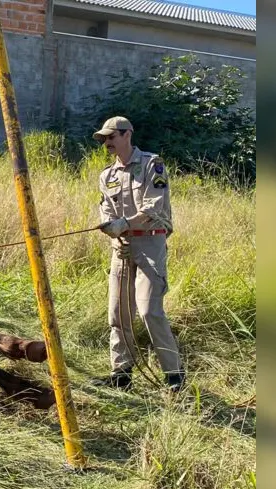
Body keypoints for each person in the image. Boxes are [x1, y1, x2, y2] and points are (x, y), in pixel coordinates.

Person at [91, 116, 185, 393]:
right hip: (120, 248)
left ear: (127, 134)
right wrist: (111, 226)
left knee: (148, 310)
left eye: (112, 136)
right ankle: (121, 374)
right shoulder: (106, 175)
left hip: (149, 245)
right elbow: (106, 209)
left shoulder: (151, 164)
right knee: (118, 314)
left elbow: (154, 208)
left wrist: (125, 224)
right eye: (104, 138)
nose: (107, 142)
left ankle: (174, 376)